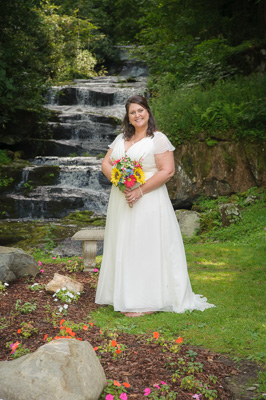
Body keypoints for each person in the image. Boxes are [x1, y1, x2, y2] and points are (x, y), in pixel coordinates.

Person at [95, 95, 215, 317]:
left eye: (141, 110)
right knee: (124, 243)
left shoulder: (158, 139)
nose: (137, 115)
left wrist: (139, 190)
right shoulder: (121, 138)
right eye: (133, 112)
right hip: (123, 198)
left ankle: (148, 300)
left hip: (148, 200)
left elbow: (167, 170)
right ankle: (120, 293)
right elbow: (106, 163)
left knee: (145, 246)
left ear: (148, 112)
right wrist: (121, 182)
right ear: (128, 117)